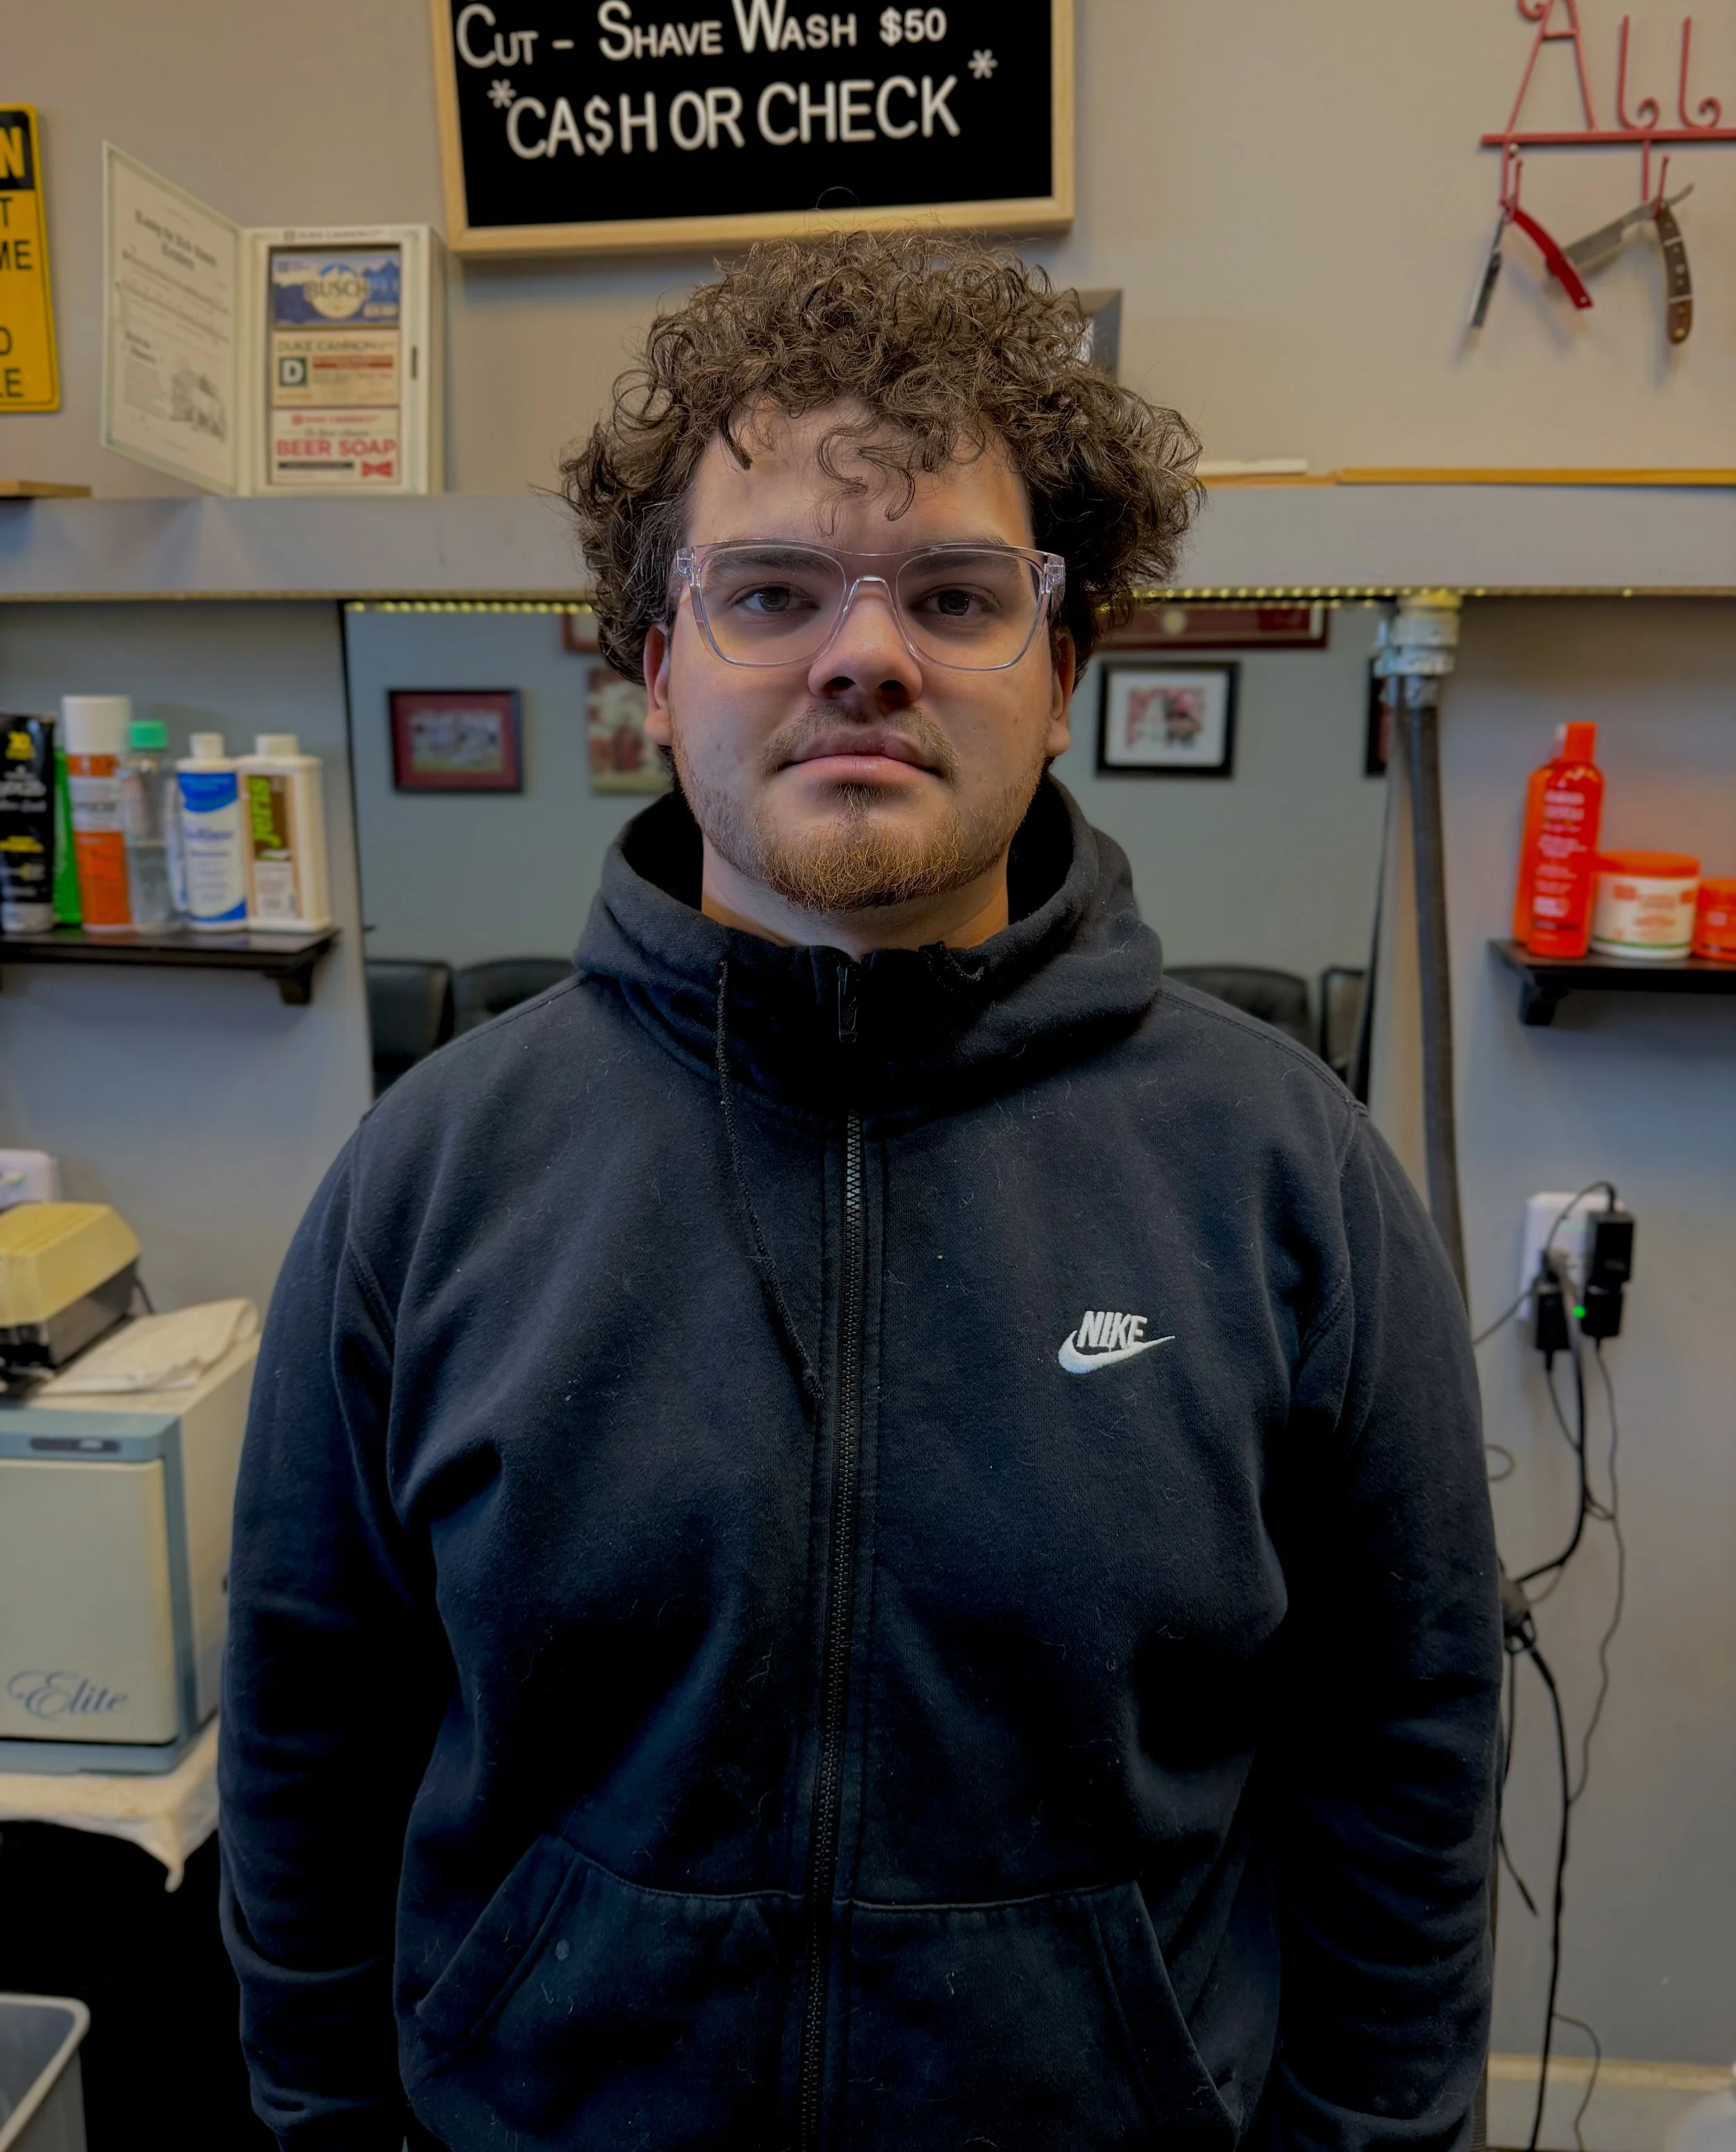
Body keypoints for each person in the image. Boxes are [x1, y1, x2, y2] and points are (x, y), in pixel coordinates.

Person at [220, 233, 1501, 2152]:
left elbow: (1404, 1743)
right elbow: (310, 1723)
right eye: (772, 589)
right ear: (659, 666)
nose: (865, 651)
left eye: (955, 592)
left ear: (1060, 668)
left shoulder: (1286, 1174)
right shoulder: (431, 1177)